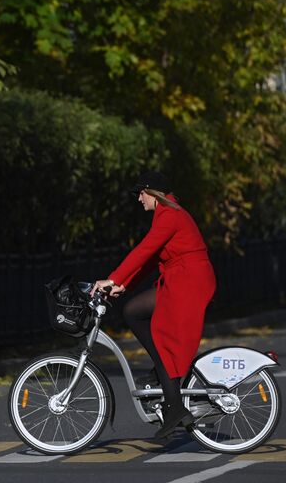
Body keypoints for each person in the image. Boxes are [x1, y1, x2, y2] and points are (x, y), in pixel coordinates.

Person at [92, 171, 216, 439]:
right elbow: (152, 258)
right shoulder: (167, 215)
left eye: (141, 193)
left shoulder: (170, 216)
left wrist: (113, 278)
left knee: (162, 337)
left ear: (154, 193)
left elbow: (144, 250)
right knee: (133, 311)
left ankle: (175, 408)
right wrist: (124, 284)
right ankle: (161, 371)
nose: (139, 198)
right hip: (181, 278)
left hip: (188, 281)